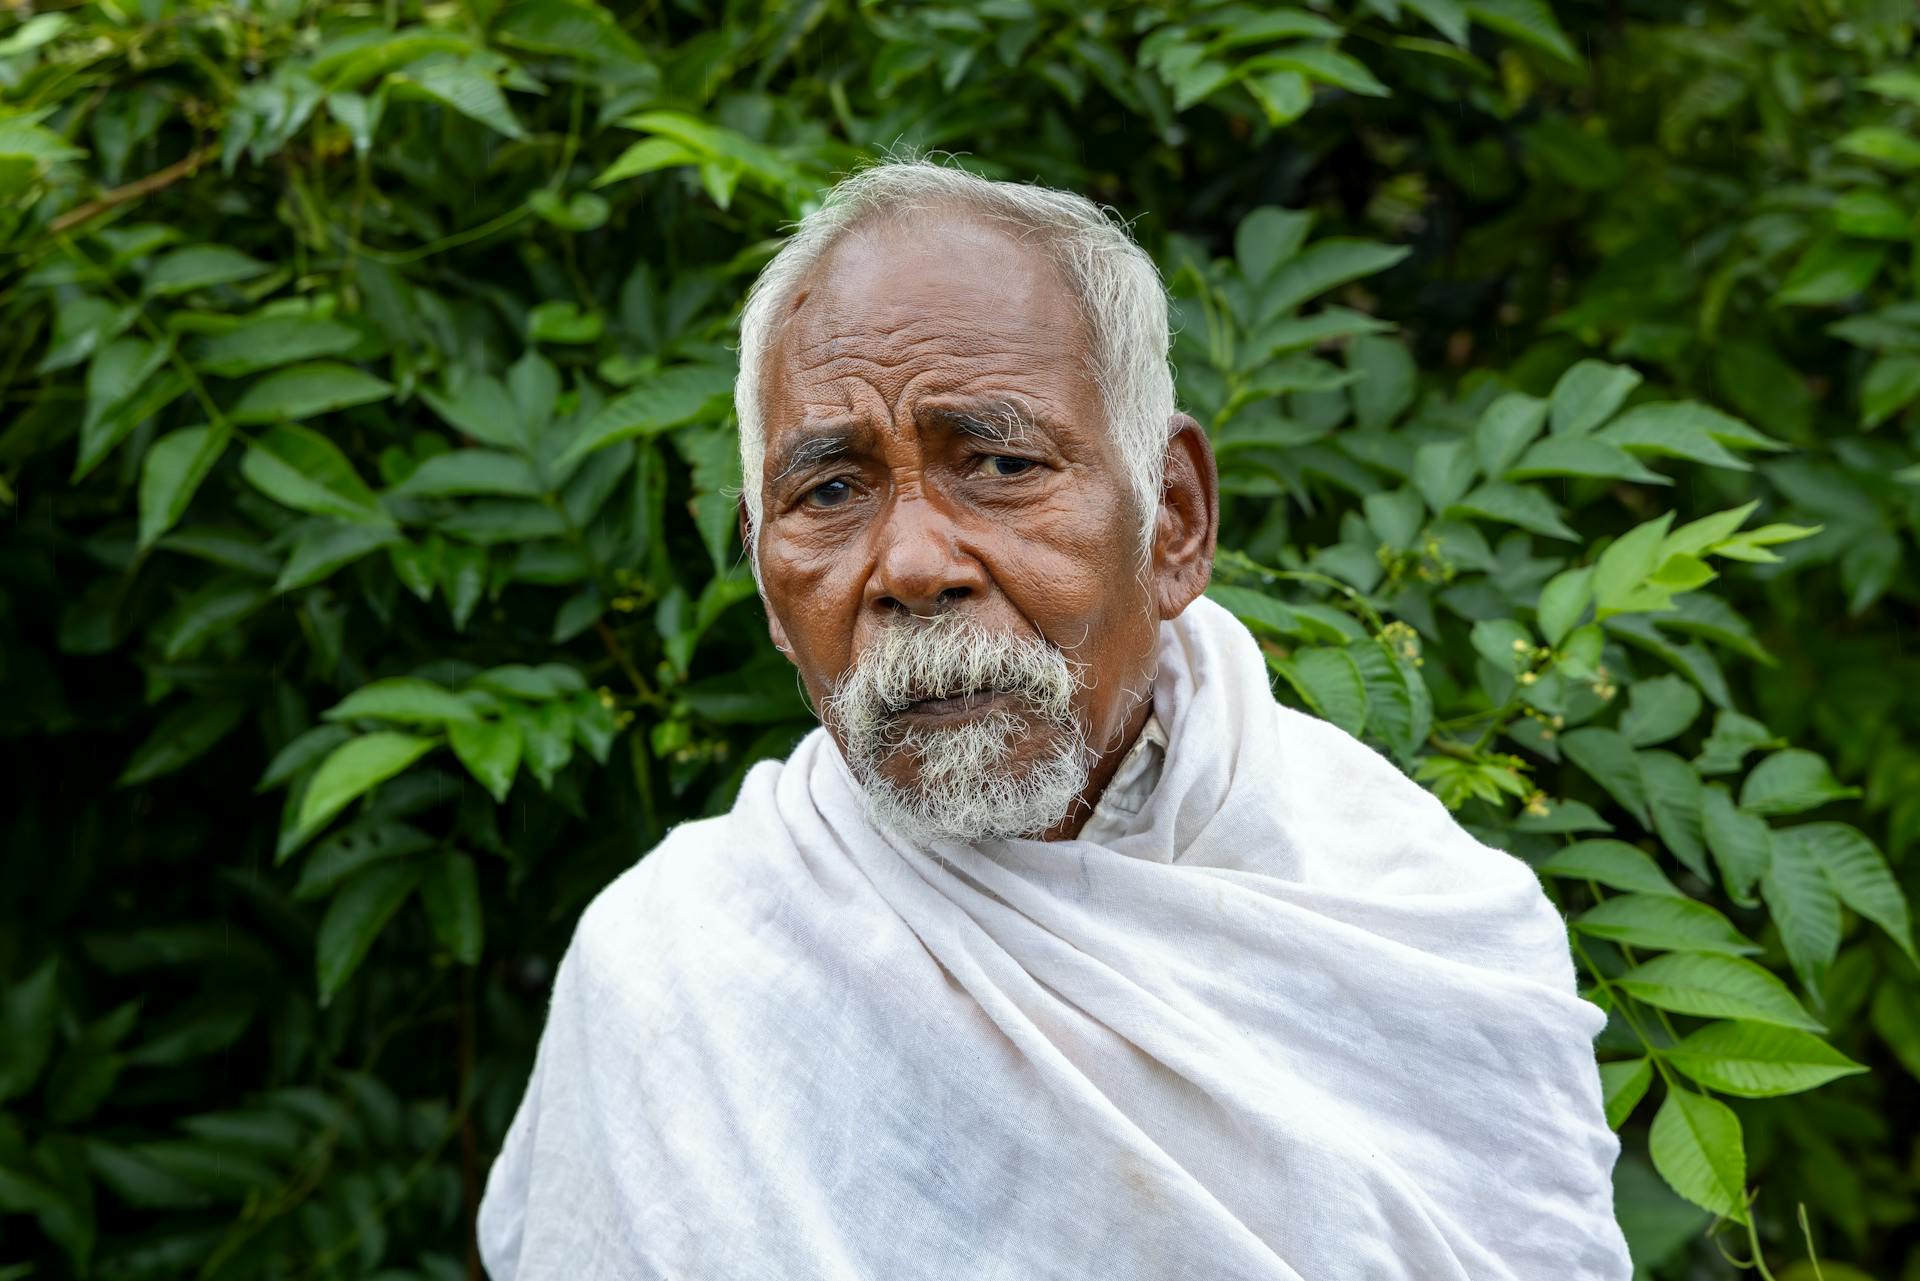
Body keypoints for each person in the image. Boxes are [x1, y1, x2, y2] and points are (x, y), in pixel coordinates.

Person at [476, 159, 1632, 1280]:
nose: (915, 566)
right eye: (829, 493)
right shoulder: (682, 975)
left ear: (1171, 521)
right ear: (769, 588)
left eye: (1000, 463)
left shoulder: (1420, 941)